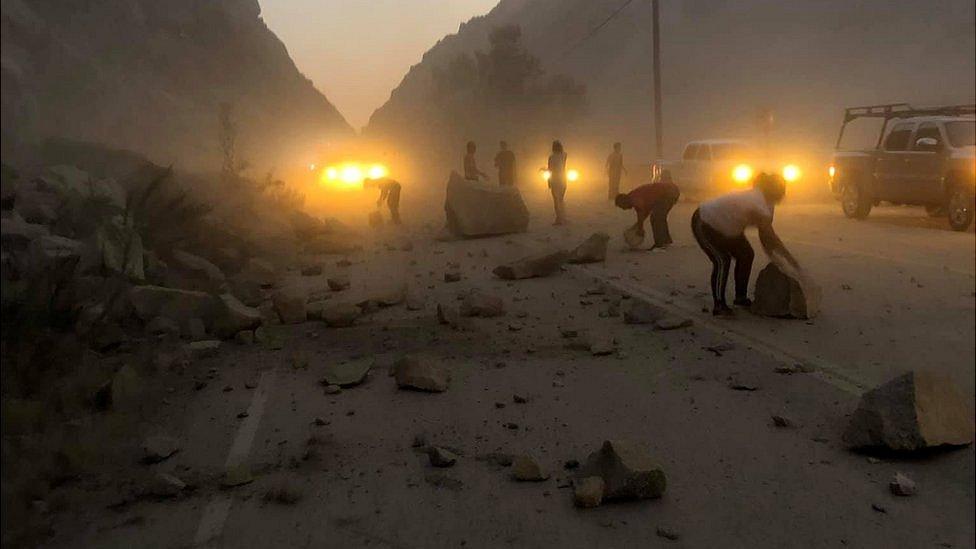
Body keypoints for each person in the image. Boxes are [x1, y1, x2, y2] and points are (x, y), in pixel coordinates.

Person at [691, 172, 800, 316]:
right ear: (775, 191)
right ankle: (719, 305)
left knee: (747, 254)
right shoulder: (756, 202)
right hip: (705, 221)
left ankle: (740, 297)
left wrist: (786, 261)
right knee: (722, 261)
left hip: (729, 228)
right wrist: (789, 262)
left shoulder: (767, 204)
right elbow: (769, 239)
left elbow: (767, 236)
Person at [614, 169, 680, 249]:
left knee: (656, 217)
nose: (625, 209)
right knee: (659, 217)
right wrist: (639, 225)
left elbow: (641, 212)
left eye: (622, 207)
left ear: (624, 201)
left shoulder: (634, 198)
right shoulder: (634, 197)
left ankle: (659, 243)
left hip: (669, 192)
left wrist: (640, 227)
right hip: (671, 190)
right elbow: (645, 212)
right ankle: (665, 241)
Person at [546, 140, 568, 225]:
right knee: (561, 199)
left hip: (555, 179)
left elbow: (550, 170)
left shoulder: (551, 157)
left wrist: (548, 180)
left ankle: (559, 218)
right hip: (563, 179)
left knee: (556, 200)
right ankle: (563, 217)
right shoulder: (564, 155)